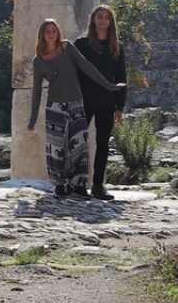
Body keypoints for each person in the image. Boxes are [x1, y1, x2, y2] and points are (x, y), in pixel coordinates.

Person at [27, 18, 127, 199]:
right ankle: (59, 185)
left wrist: (108, 85)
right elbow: (36, 91)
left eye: (54, 30)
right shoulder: (38, 60)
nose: (51, 34)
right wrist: (32, 119)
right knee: (56, 146)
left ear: (58, 33)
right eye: (47, 31)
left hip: (77, 103)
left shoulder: (67, 47)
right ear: (42, 35)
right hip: (55, 106)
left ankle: (79, 187)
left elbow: (87, 66)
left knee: (80, 146)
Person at [73, 5, 128, 202]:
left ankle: (97, 186)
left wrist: (120, 107)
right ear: (93, 19)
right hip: (84, 101)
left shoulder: (117, 47)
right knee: (77, 143)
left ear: (111, 22)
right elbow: (73, 73)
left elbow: (121, 78)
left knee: (102, 145)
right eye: (99, 16)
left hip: (107, 101)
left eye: (107, 17)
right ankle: (76, 183)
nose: (103, 20)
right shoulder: (81, 44)